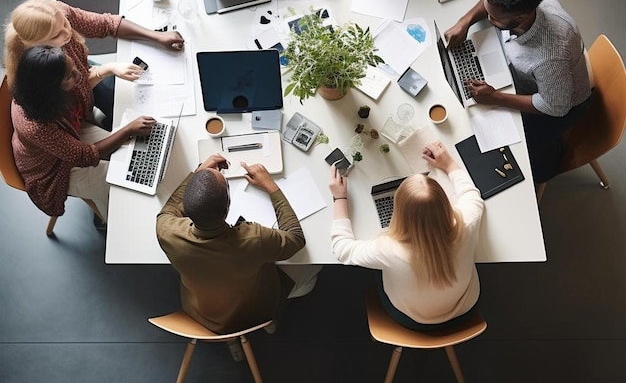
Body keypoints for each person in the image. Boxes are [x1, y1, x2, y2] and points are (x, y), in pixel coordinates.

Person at [445, 0, 592, 185]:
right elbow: (490, 5)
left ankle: (546, 165)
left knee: (518, 156)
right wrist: (464, 22)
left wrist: (496, 98)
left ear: (521, 17)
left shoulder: (549, 57)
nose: (489, 18)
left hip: (559, 104)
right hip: (538, 79)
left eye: (494, 19)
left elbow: (555, 107)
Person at [157, 156, 319, 335]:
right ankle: (268, 320)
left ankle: (233, 340)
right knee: (314, 267)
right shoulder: (252, 239)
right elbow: (296, 238)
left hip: (200, 315)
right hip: (254, 312)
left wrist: (198, 174)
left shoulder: (166, 230)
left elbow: (169, 208)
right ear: (227, 207)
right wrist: (270, 186)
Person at [329, 141, 484, 328]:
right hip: (464, 305)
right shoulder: (468, 221)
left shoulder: (387, 250)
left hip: (413, 317)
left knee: (377, 272)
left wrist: (340, 198)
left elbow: (341, 249)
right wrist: (449, 164)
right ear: (445, 205)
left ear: (399, 212)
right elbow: (471, 195)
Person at [11, 46, 156, 224]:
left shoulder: (35, 91)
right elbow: (83, 156)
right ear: (51, 89)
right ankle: (113, 222)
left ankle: (106, 205)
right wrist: (128, 130)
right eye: (69, 76)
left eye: (73, 67)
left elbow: (83, 83)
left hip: (69, 133)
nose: (78, 75)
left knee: (124, 152)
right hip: (53, 171)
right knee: (117, 180)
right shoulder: (38, 127)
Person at [4, 0, 184, 131]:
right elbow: (78, 89)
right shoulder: (38, 72)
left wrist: (157, 36)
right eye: (55, 36)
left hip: (86, 77)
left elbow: (106, 24)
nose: (67, 33)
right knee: (133, 130)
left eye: (65, 23)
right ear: (36, 45)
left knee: (137, 103)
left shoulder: (57, 14)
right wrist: (105, 70)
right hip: (70, 114)